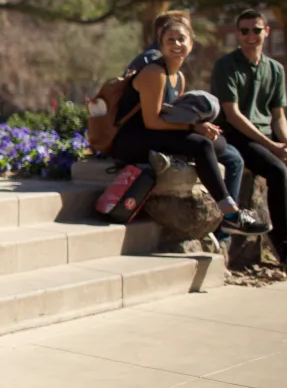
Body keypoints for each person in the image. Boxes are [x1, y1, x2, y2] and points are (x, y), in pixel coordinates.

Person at [111, 14, 270, 238]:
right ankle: (231, 215)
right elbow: (151, 121)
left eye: (181, 39)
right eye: (170, 40)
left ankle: (227, 211)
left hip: (155, 133)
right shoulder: (154, 73)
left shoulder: (179, 77)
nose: (176, 44)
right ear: (161, 44)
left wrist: (201, 124)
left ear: (191, 44)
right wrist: (194, 129)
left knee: (220, 143)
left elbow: (174, 115)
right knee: (201, 144)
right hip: (133, 139)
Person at [211, 9, 287, 271]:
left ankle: (284, 230)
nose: (250, 36)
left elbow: (278, 114)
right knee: (278, 170)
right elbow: (232, 115)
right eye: (244, 31)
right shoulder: (226, 65)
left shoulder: (275, 69)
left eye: (256, 30)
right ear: (238, 34)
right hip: (237, 137)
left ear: (266, 32)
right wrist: (273, 148)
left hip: (267, 137)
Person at [125, 9, 191, 74]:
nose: (189, 32)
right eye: (180, 28)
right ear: (161, 32)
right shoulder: (153, 62)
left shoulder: (169, 62)